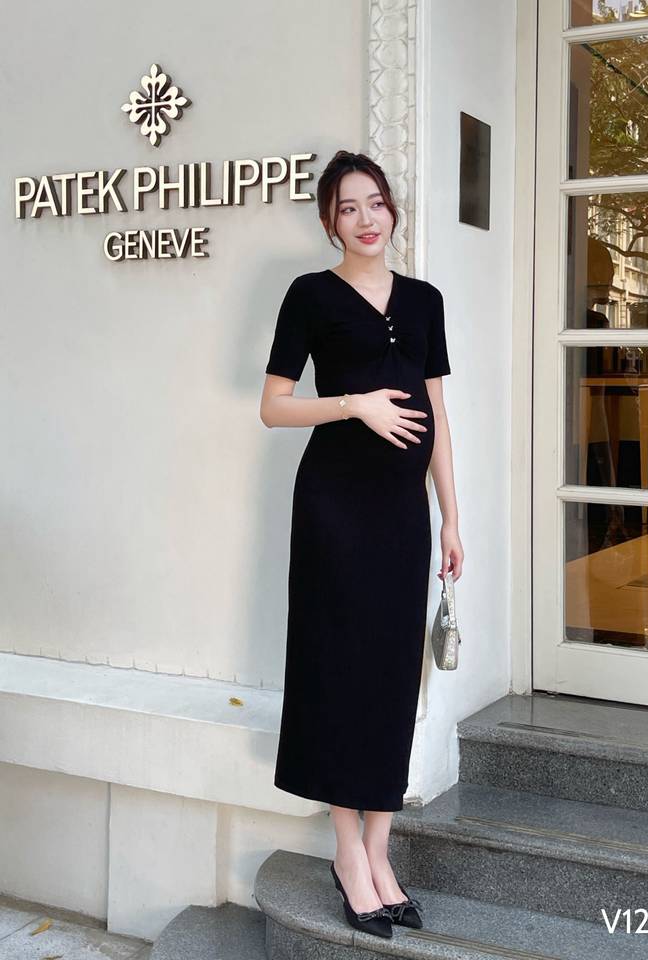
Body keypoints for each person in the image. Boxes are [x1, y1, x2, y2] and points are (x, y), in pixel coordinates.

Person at [259, 150, 463, 939]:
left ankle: (381, 851)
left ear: (392, 209)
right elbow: (274, 406)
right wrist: (355, 404)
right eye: (348, 207)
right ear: (329, 222)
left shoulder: (425, 300)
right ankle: (348, 852)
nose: (366, 218)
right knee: (337, 673)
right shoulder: (310, 295)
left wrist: (452, 519)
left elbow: (437, 418)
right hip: (333, 511)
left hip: (402, 516)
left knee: (390, 676)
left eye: (375, 202)